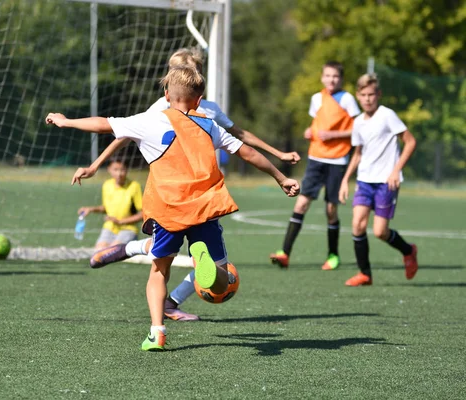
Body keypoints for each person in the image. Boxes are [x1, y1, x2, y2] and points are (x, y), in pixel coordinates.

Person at [46, 66, 300, 351]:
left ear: (167, 95)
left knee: (159, 271)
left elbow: (103, 124)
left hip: (168, 210)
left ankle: (157, 333)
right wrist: (281, 177)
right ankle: (203, 258)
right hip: (204, 207)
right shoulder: (209, 124)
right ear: (199, 99)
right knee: (219, 280)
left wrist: (66, 121)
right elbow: (247, 152)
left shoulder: (150, 121)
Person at [270, 61, 361, 271]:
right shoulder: (317, 98)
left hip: (337, 161)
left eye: (336, 76)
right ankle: (285, 253)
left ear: (341, 79)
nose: (332, 79)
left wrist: (334, 135)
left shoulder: (347, 99)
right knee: (301, 204)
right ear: (322, 78)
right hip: (315, 159)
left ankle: (333, 255)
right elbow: (316, 123)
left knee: (331, 209)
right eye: (328, 76)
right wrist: (308, 132)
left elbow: (358, 129)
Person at [339, 73, 418, 286]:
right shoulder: (357, 123)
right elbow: (357, 153)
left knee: (380, 232)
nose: (367, 99)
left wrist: (395, 171)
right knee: (357, 225)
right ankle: (365, 274)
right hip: (364, 181)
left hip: (386, 181)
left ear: (378, 94)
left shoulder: (387, 115)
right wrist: (346, 179)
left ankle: (409, 250)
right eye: (363, 95)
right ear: (358, 96)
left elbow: (410, 142)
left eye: (371, 94)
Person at [77, 158, 143, 251]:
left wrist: (121, 221)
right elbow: (106, 208)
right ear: (109, 170)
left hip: (128, 229)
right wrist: (91, 209)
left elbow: (143, 214)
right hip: (109, 227)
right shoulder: (107, 185)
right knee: (99, 251)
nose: (119, 174)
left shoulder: (134, 186)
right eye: (115, 170)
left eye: (122, 170)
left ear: (127, 170)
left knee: (112, 251)